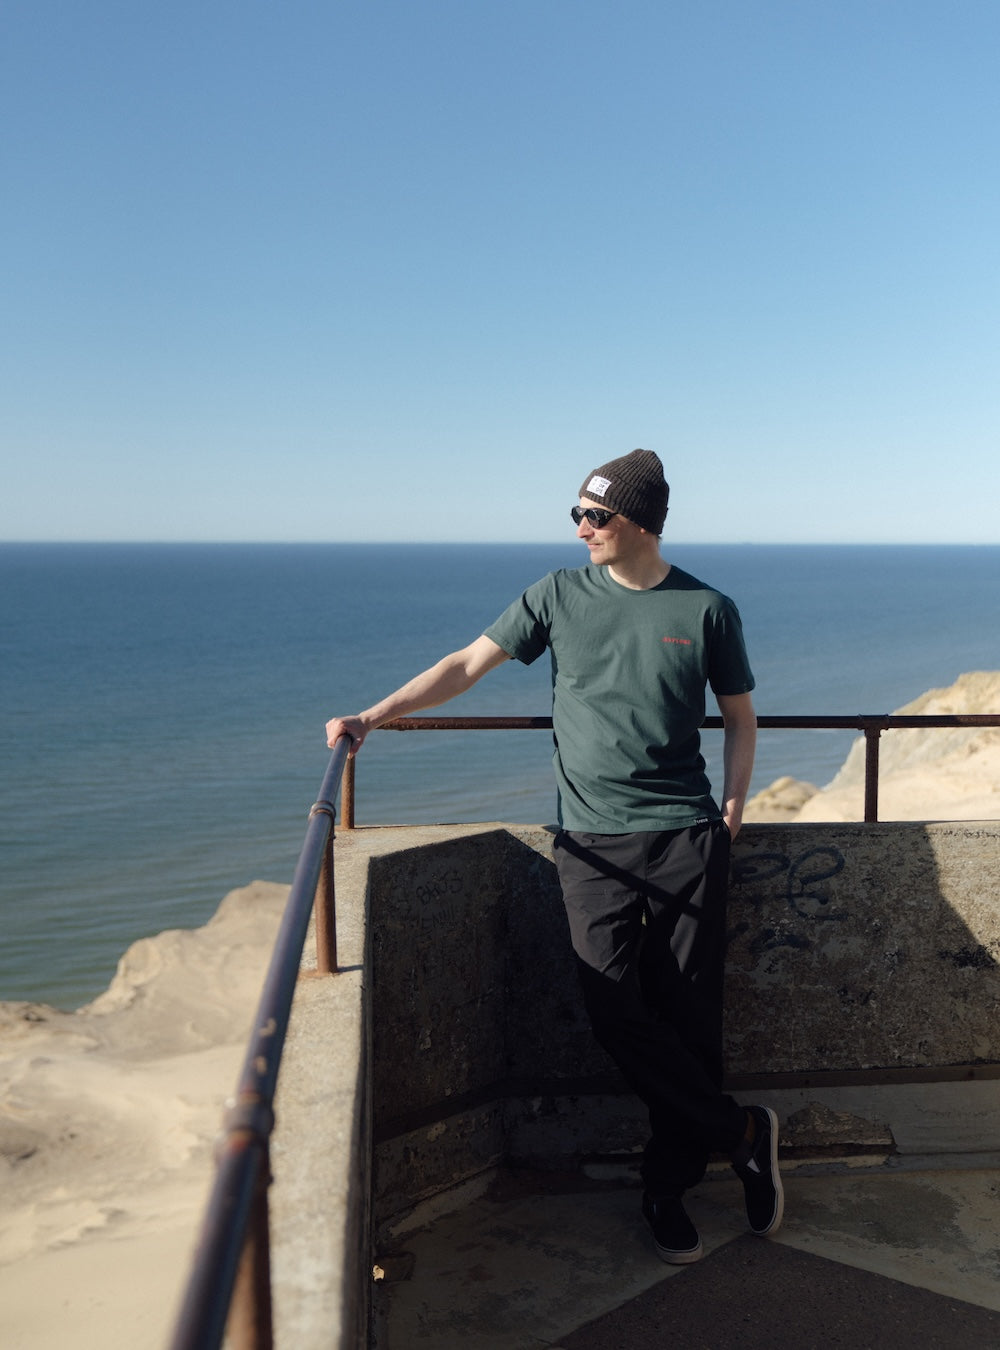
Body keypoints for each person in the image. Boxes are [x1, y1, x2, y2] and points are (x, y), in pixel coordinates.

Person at [325, 448, 782, 1264]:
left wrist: (735, 807)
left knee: (689, 1023)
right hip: (591, 842)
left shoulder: (708, 608)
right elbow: (466, 665)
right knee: (613, 1013)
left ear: (640, 523)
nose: (581, 530)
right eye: (578, 514)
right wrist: (373, 716)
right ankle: (743, 1133)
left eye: (595, 516)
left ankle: (666, 1189)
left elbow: (741, 716)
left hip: (685, 836)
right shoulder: (557, 595)